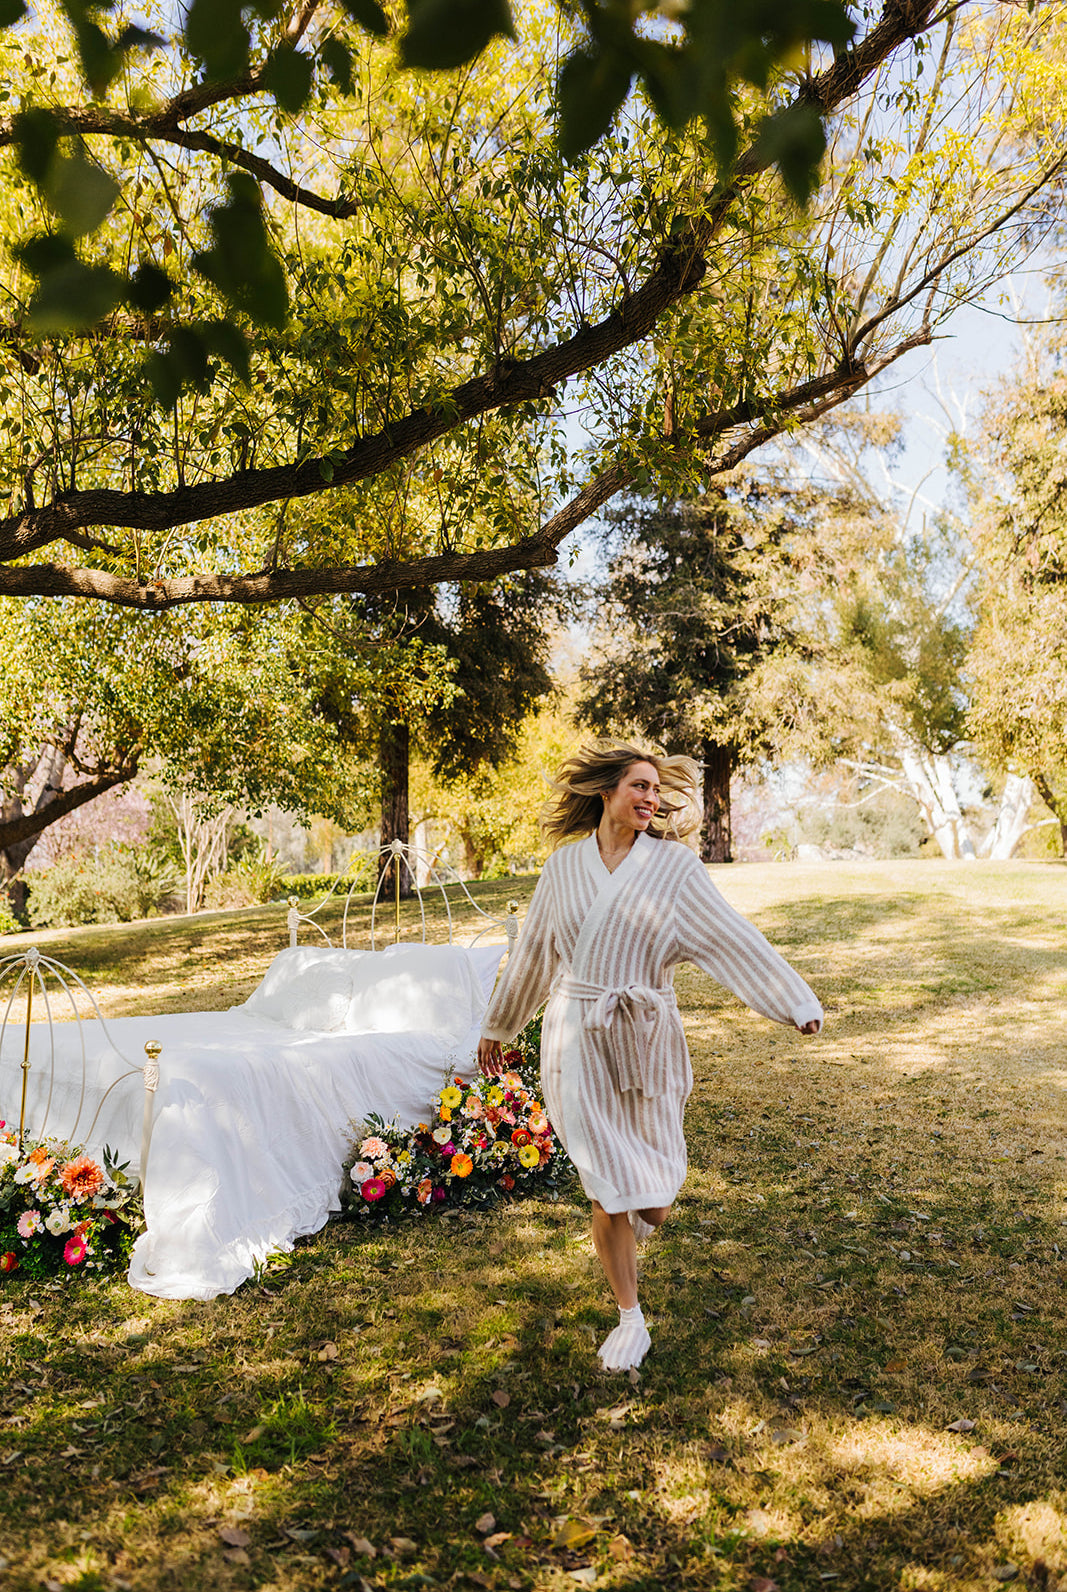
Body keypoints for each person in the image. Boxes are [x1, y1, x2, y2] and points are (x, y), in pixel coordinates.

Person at [477, 739, 822, 1373]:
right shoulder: (562, 869)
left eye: (656, 790)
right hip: (576, 1036)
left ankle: (624, 1237)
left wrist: (793, 1001)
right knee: (610, 1187)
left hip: (645, 1038)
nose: (650, 798)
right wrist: (499, 1024)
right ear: (606, 791)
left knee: (654, 1199)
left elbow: (730, 936)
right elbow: (534, 953)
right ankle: (630, 1318)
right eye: (639, 786)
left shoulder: (675, 869)